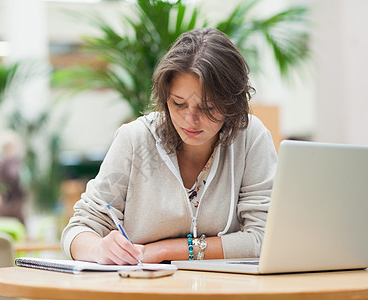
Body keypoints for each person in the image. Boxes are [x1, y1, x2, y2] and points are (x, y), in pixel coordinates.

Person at [61, 27, 278, 265]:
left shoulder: (250, 138)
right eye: (179, 103)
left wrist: (167, 251)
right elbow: (79, 229)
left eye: (207, 108)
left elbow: (263, 238)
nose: (190, 120)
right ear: (165, 98)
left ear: (232, 104)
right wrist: (98, 248)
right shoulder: (135, 140)